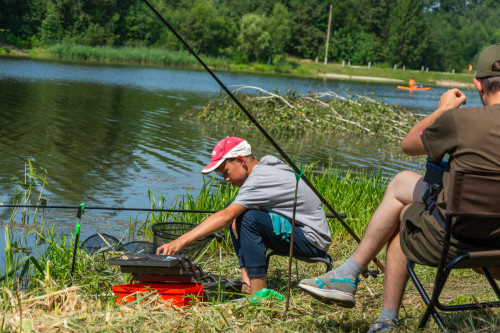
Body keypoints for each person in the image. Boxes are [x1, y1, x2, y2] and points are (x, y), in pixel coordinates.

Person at [299, 43, 500, 332]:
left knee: (403, 200)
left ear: (477, 84)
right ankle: (357, 287)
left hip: (456, 242)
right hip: (496, 245)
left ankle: (372, 303)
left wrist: (443, 109)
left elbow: (408, 145)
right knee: (408, 207)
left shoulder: (460, 120)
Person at [156, 136, 332, 295]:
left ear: (241, 161)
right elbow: (231, 213)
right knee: (238, 211)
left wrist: (181, 241)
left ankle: (258, 293)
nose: (225, 179)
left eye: (226, 172)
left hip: (312, 240)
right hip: (299, 230)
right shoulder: (265, 164)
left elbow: (225, 217)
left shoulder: (260, 179)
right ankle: (246, 283)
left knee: (249, 219)